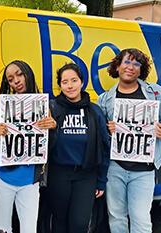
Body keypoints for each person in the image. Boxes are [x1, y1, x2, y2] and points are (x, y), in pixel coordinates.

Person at [97, 48, 161, 233]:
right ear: (117, 66)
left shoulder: (155, 92)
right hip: (115, 167)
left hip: (144, 169)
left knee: (141, 220)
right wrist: (108, 131)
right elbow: (100, 137)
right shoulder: (105, 99)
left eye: (136, 64)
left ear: (141, 70)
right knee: (116, 218)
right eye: (127, 62)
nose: (131, 67)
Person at [0, 60, 56, 233]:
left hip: (29, 180)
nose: (16, 81)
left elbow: (49, 147)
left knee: (29, 229)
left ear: (28, 74)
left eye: (19, 74)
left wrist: (53, 128)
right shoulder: (3, 106)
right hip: (2, 177)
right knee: (0, 229)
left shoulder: (45, 106)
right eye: (10, 79)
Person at [48, 63, 110, 233]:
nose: (70, 86)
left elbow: (105, 147)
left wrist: (101, 180)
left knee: (80, 224)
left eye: (74, 80)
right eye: (65, 82)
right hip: (59, 174)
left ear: (82, 82)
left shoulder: (95, 111)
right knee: (59, 223)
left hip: (86, 176)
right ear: (60, 85)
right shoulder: (52, 109)